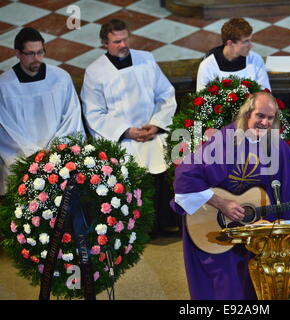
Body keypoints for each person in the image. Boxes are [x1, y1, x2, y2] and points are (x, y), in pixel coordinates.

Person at [170, 91, 290, 299]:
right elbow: (185, 174)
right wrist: (221, 203)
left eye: (270, 118)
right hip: (217, 229)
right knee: (227, 290)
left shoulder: (277, 147)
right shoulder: (223, 141)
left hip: (258, 234)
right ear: (247, 114)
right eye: (260, 116)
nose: (264, 122)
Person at [80, 19, 180, 235]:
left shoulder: (146, 59)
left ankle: (163, 223)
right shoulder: (95, 72)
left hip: (151, 131)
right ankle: (136, 228)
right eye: (117, 41)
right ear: (104, 43)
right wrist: (126, 131)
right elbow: (94, 113)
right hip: (122, 137)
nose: (123, 44)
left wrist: (155, 124)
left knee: (161, 171)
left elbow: (165, 94)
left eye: (125, 39)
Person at [0, 27, 85, 195]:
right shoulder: (4, 85)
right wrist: (34, 153)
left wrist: (55, 151)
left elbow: (72, 117)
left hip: (59, 156)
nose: (37, 59)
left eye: (40, 52)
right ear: (17, 53)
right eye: (30, 54)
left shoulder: (60, 78)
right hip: (23, 158)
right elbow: (6, 128)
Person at [196, 18, 271, 92]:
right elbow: (202, 98)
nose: (251, 45)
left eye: (250, 40)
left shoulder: (256, 60)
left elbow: (266, 92)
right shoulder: (208, 65)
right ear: (230, 43)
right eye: (245, 41)